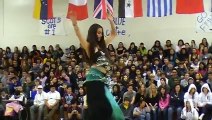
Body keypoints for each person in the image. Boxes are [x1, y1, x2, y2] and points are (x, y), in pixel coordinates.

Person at [69, 11, 124, 120]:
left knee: (110, 110)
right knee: (104, 110)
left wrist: (111, 21)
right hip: (93, 80)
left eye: (101, 33)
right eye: (98, 32)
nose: (100, 35)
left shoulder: (103, 45)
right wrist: (75, 24)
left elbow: (114, 34)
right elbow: (78, 34)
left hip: (102, 80)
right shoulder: (89, 46)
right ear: (93, 33)